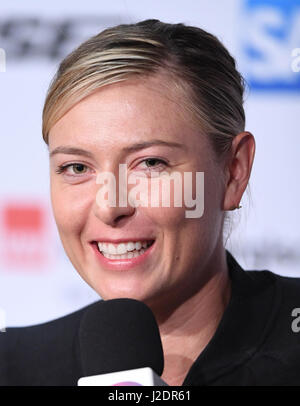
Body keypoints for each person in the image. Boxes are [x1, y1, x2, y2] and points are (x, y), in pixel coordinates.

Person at [1, 19, 300, 386]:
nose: (110, 206)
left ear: (233, 171)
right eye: (77, 167)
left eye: (151, 163)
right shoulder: (13, 365)